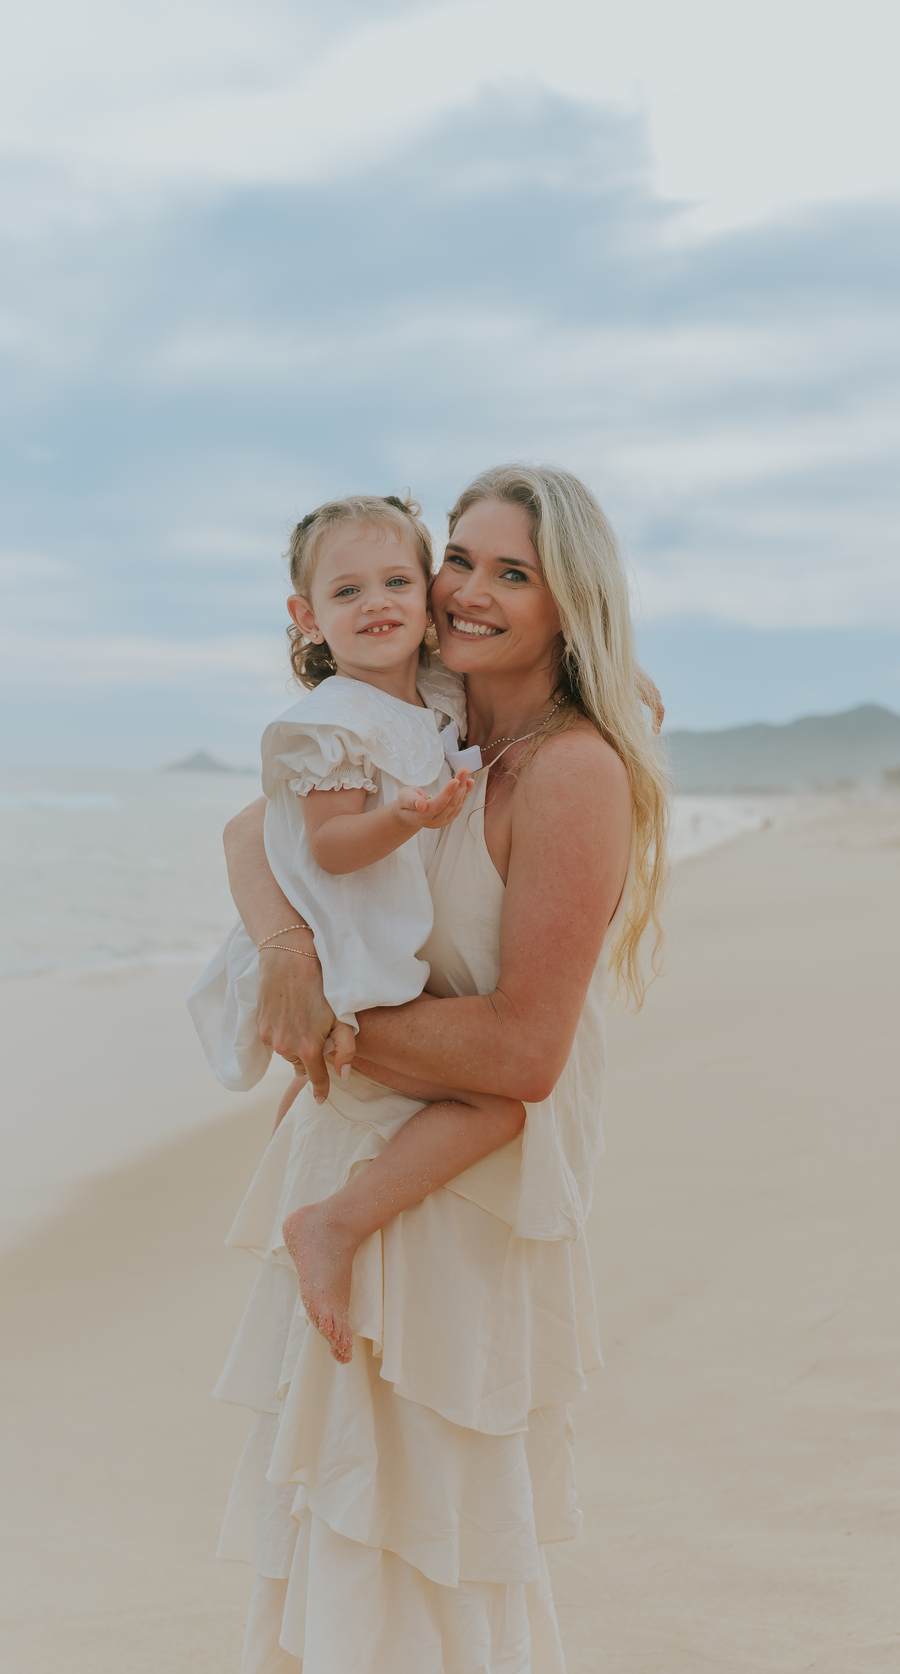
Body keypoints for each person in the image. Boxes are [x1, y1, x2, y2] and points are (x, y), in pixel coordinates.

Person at [214, 463, 668, 1674]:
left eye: (512, 573)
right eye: (459, 558)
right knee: (342, 1514)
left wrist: (327, 1026)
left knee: (425, 1528)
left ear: (569, 601)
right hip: (363, 1155)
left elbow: (525, 1050)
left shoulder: (571, 771)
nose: (467, 591)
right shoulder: (437, 722)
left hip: (459, 1187)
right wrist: (283, 955)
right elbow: (249, 831)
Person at [188, 492, 526, 1365]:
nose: (375, 604)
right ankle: (325, 1225)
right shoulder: (330, 726)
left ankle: (297, 1212)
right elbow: (335, 849)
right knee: (491, 1102)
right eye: (346, 593)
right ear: (307, 617)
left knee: (330, 1093)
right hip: (345, 939)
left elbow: (546, 674)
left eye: (395, 582)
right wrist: (408, 820)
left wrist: (617, 675)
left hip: (379, 936)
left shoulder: (438, 693)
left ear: (427, 601)